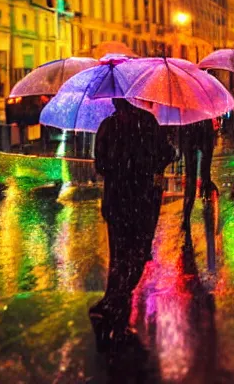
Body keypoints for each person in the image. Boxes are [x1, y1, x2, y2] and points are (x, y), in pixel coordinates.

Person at [90, 99, 176, 351]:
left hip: (117, 200)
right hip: (143, 200)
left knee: (119, 254)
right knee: (137, 254)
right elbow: (167, 154)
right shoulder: (147, 122)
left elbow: (101, 166)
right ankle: (116, 303)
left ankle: (113, 304)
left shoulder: (108, 126)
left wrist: (120, 168)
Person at [178, 119, 218, 231]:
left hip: (188, 128)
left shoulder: (185, 102)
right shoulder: (207, 104)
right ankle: (206, 204)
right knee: (205, 172)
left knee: (191, 176)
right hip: (204, 128)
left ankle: (186, 218)